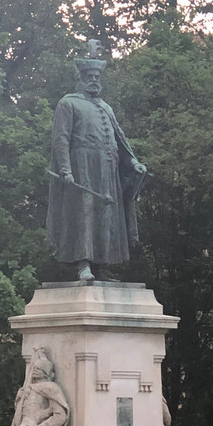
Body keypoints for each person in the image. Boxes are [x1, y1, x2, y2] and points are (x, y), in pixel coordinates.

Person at [48, 40, 148, 282]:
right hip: (82, 167)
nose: (94, 79)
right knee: (84, 215)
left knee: (107, 215)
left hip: (107, 168)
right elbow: (61, 139)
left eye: (97, 75)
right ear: (81, 77)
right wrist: (65, 169)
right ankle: (83, 264)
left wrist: (133, 161)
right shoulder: (68, 102)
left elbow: (119, 137)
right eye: (89, 75)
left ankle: (102, 265)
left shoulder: (106, 107)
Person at [6, 347, 70, 426]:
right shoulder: (27, 388)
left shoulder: (51, 388)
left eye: (39, 368)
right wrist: (19, 399)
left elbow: (60, 416)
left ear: (46, 372)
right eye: (34, 368)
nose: (35, 370)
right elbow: (21, 412)